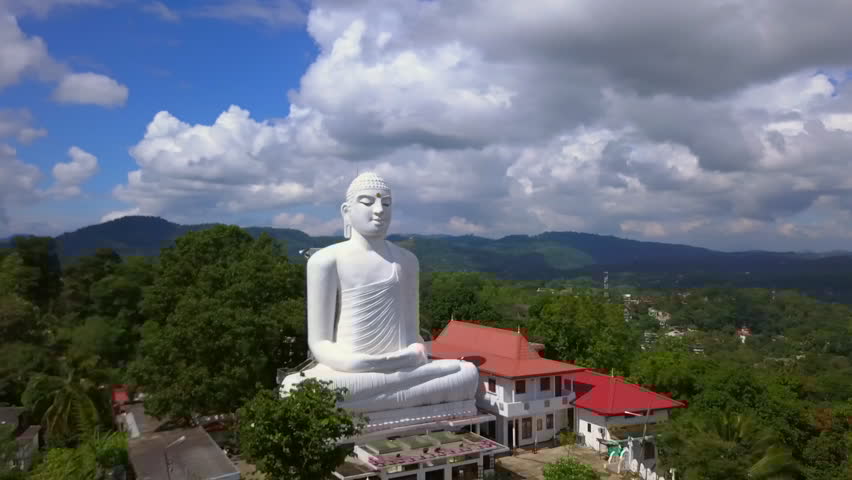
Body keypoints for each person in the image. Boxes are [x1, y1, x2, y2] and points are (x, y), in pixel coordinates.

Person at [280, 173, 478, 413]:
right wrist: (352, 362)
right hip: (349, 370)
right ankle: (394, 393)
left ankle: (389, 392)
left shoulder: (407, 261)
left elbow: (412, 336)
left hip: (400, 367)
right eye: (367, 202)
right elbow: (320, 342)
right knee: (295, 389)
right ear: (346, 211)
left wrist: (415, 351)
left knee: (466, 372)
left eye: (386, 203)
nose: (379, 210)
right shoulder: (326, 260)